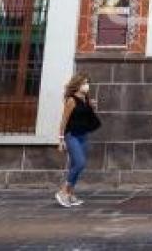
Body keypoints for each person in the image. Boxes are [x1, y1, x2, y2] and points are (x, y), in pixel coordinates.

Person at [55, 73, 100, 208]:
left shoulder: (86, 98)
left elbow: (85, 117)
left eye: (87, 83)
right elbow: (64, 120)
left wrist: (91, 106)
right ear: (77, 84)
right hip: (72, 135)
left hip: (83, 135)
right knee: (80, 163)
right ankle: (63, 191)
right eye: (84, 83)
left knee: (75, 166)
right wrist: (61, 139)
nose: (86, 85)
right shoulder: (71, 100)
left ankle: (70, 194)